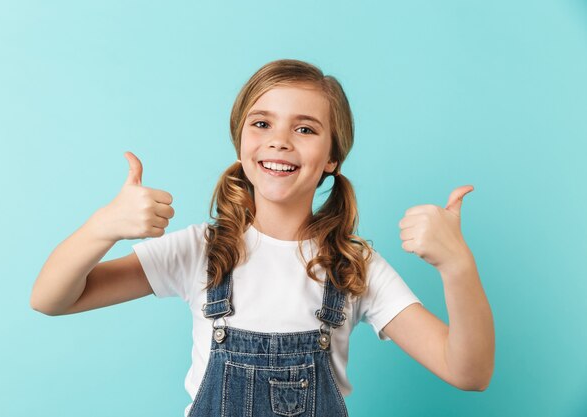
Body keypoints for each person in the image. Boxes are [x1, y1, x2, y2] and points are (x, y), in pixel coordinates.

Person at [30, 59, 495, 417]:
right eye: (262, 123)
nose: (279, 141)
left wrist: (458, 266)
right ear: (241, 142)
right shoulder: (200, 252)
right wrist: (102, 228)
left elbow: (468, 372)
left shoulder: (354, 266)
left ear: (333, 157)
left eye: (305, 128)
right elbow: (52, 299)